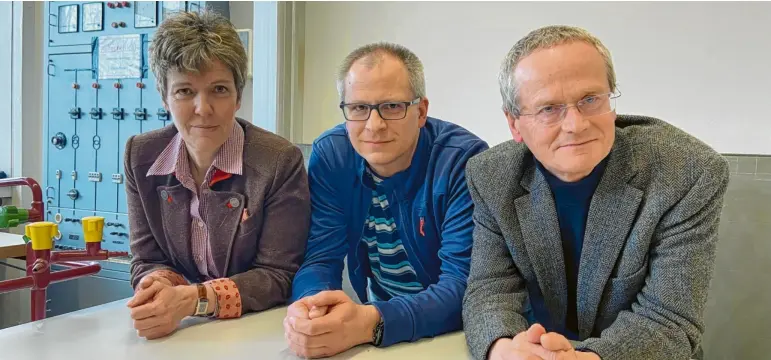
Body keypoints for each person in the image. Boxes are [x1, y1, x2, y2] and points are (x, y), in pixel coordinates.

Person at [462, 25, 729, 360]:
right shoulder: (491, 176)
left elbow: (668, 319)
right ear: (514, 124)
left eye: (590, 100)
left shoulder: (686, 172)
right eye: (549, 109)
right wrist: (503, 349)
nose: (575, 124)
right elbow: (490, 289)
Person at [283, 42, 489, 358]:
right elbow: (321, 258)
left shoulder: (463, 161)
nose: (374, 125)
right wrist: (311, 307)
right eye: (359, 108)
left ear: (420, 111)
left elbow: (463, 287)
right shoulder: (332, 155)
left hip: (452, 337)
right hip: (381, 334)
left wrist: (371, 321)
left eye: (392, 107)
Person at [123, 10, 310, 340]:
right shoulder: (140, 156)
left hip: (257, 335)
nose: (203, 108)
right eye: (184, 91)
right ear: (164, 97)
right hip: (180, 336)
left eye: (219, 89)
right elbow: (146, 259)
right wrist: (158, 287)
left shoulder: (278, 161)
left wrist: (196, 300)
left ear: (238, 96)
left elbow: (279, 275)